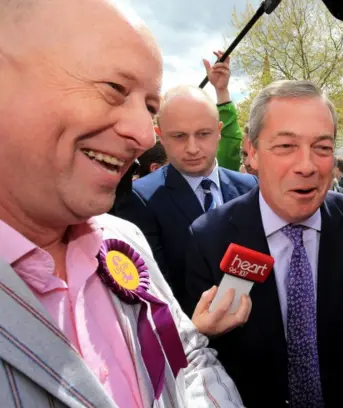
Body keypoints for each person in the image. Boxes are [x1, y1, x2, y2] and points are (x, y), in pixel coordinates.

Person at [0, 0, 243, 406]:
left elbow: (189, 359)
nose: (145, 137)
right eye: (114, 89)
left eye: (149, 107)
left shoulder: (123, 241)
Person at [185, 80, 343, 408]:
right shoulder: (210, 237)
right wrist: (200, 333)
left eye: (322, 147)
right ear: (253, 152)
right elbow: (202, 362)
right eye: (286, 146)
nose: (307, 166)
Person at [116, 84, 257, 310]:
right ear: (160, 136)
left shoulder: (250, 186)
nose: (192, 148)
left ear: (219, 130)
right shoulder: (141, 199)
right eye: (179, 136)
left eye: (203, 134)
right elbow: (157, 290)